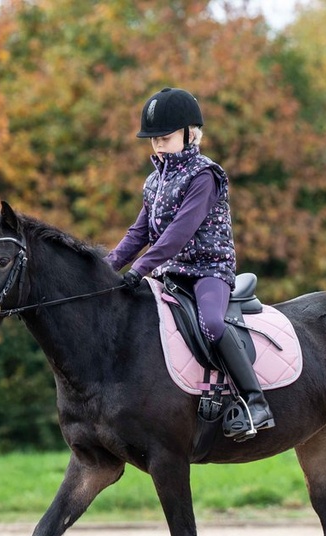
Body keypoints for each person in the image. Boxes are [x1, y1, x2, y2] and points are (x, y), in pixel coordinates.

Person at [105, 86, 275, 441]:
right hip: (171, 274)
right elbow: (139, 232)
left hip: (209, 270)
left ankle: (254, 402)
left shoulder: (204, 175)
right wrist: (106, 268)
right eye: (153, 140)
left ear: (189, 133)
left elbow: (179, 233)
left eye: (164, 138)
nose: (158, 145)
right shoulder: (153, 182)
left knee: (211, 323)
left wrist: (138, 270)